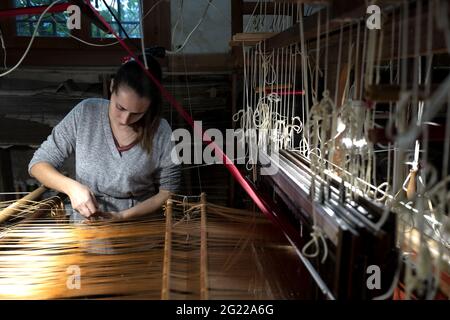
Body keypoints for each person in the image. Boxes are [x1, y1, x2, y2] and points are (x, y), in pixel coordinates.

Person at [28, 56, 180, 221]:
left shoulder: (161, 130)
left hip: (138, 226)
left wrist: (122, 216)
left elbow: (168, 191)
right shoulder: (86, 113)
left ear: (150, 106)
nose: (125, 119)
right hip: (88, 223)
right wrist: (72, 188)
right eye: (120, 107)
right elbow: (38, 164)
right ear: (112, 86)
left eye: (137, 113)